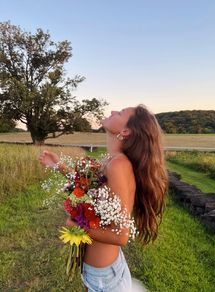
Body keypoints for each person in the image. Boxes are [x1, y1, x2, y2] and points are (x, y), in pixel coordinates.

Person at [39, 104, 168, 292]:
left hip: (105, 279)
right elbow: (87, 186)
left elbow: (121, 235)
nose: (114, 111)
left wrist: (77, 227)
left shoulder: (119, 165)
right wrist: (58, 165)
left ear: (125, 131)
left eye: (121, 113)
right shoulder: (111, 159)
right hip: (100, 272)